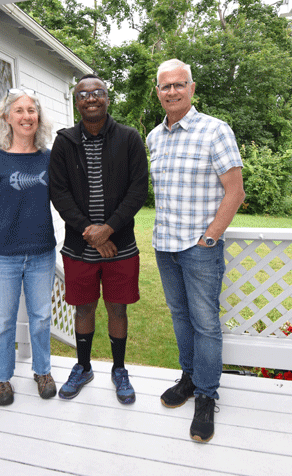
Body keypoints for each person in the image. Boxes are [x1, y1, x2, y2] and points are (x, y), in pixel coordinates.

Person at [147, 59, 245, 442]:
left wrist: (210, 237)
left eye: (179, 84)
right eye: (165, 86)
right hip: (165, 245)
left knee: (205, 323)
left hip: (199, 247)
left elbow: (235, 192)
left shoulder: (215, 131)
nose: (172, 91)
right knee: (180, 317)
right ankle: (188, 378)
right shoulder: (155, 137)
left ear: (191, 88)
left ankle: (206, 395)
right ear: (158, 92)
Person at [49, 74, 148, 404]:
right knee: (83, 308)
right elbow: (58, 192)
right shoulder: (64, 142)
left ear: (107, 98)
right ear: (76, 102)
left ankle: (119, 369)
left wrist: (109, 227)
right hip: (79, 247)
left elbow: (138, 190)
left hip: (121, 246)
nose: (91, 98)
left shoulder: (129, 138)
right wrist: (90, 233)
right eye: (83, 94)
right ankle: (84, 366)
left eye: (98, 93)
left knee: (117, 309)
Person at [0, 88, 58, 406]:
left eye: (32, 110)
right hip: (2, 255)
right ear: (6, 117)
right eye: (19, 110)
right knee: (3, 321)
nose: (26, 116)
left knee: (40, 317)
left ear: (39, 117)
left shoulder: (48, 159)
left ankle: (43, 371)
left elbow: (65, 198)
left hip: (41, 253)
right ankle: (1, 378)